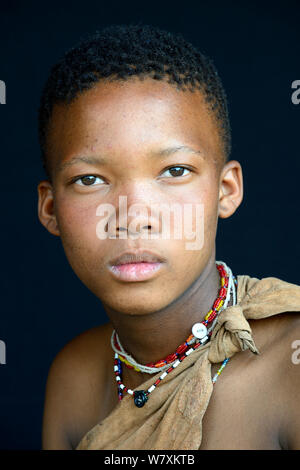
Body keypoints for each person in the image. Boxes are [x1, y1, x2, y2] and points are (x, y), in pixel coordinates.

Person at [37, 23, 300, 450]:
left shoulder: (291, 366)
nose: (134, 216)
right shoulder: (74, 377)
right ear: (51, 209)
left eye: (175, 171)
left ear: (225, 190)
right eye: (89, 179)